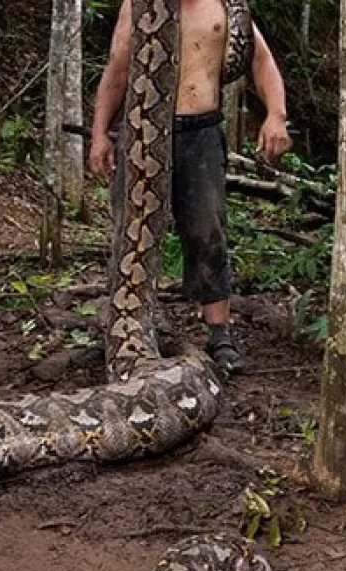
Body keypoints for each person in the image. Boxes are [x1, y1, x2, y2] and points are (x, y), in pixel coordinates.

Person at [89, 0, 292, 372]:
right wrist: (100, 133)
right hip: (141, 133)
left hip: (199, 132)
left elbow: (261, 61)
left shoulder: (227, 7)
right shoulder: (137, 6)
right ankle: (123, 326)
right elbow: (118, 70)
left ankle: (219, 334)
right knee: (130, 231)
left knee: (207, 231)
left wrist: (276, 115)